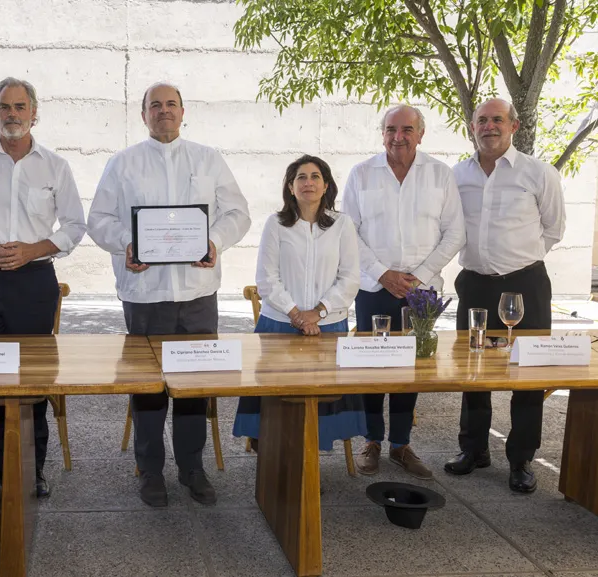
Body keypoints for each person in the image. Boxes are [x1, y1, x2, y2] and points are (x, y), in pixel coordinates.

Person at [88, 82, 251, 507]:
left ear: (184, 112)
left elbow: (239, 213)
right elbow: (98, 219)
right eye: (154, 105)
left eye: (171, 104)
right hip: (144, 294)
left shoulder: (208, 159)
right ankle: (150, 470)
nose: (163, 111)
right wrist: (127, 243)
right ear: (143, 115)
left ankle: (192, 469)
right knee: (148, 388)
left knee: (195, 387)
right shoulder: (123, 164)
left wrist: (214, 240)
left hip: (197, 294)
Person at [0, 77, 86, 498]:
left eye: (20, 107)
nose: (12, 115)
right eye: (5, 107)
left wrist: (32, 250)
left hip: (35, 279)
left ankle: (33, 464)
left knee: (34, 375)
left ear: (34, 112)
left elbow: (75, 226)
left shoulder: (55, 166)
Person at [446, 98, 565, 493]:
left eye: (497, 119)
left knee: (527, 371)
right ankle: (474, 448)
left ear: (513, 126)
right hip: (475, 284)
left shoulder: (538, 172)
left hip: (526, 284)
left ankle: (521, 458)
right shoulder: (456, 175)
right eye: (482, 120)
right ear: (472, 127)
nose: (489, 126)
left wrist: (518, 261)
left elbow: (553, 228)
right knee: (473, 369)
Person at [341, 105, 465, 479]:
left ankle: (401, 444)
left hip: (421, 294)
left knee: (412, 368)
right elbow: (350, 232)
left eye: (407, 129)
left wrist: (419, 276)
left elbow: (454, 232)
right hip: (374, 287)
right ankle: (372, 441)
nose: (399, 136)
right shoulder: (361, 175)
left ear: (421, 134)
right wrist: (383, 273)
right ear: (382, 134)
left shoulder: (440, 175)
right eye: (391, 129)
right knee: (373, 367)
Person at [233, 155, 366, 455]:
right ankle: (279, 461)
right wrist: (296, 314)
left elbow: (350, 278)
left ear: (326, 185)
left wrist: (317, 313)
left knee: (321, 402)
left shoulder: (343, 225)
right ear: (290, 188)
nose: (308, 182)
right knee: (277, 402)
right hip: (279, 326)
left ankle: (307, 468)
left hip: (328, 327)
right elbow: (266, 279)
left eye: (315, 176)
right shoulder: (276, 224)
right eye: (301, 177)